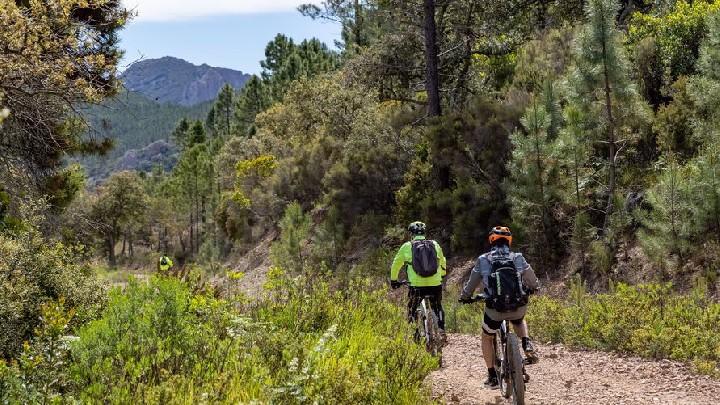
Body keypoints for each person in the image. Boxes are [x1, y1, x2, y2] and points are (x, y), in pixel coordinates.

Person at [459, 226, 539, 388]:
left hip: (495, 310)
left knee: (487, 337)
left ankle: (492, 376)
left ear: (491, 241)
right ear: (509, 241)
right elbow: (533, 280)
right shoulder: (517, 257)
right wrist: (533, 288)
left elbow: (471, 283)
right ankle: (525, 342)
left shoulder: (483, 260)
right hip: (518, 306)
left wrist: (465, 297)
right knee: (519, 319)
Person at [390, 221, 448, 340]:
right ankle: (441, 328)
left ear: (411, 234)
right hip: (435, 284)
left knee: (412, 309)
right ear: (424, 233)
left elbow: (396, 264)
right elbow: (442, 260)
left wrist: (394, 280)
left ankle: (415, 335)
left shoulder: (407, 246)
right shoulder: (434, 244)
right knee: (437, 306)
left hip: (416, 286)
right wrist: (442, 273)